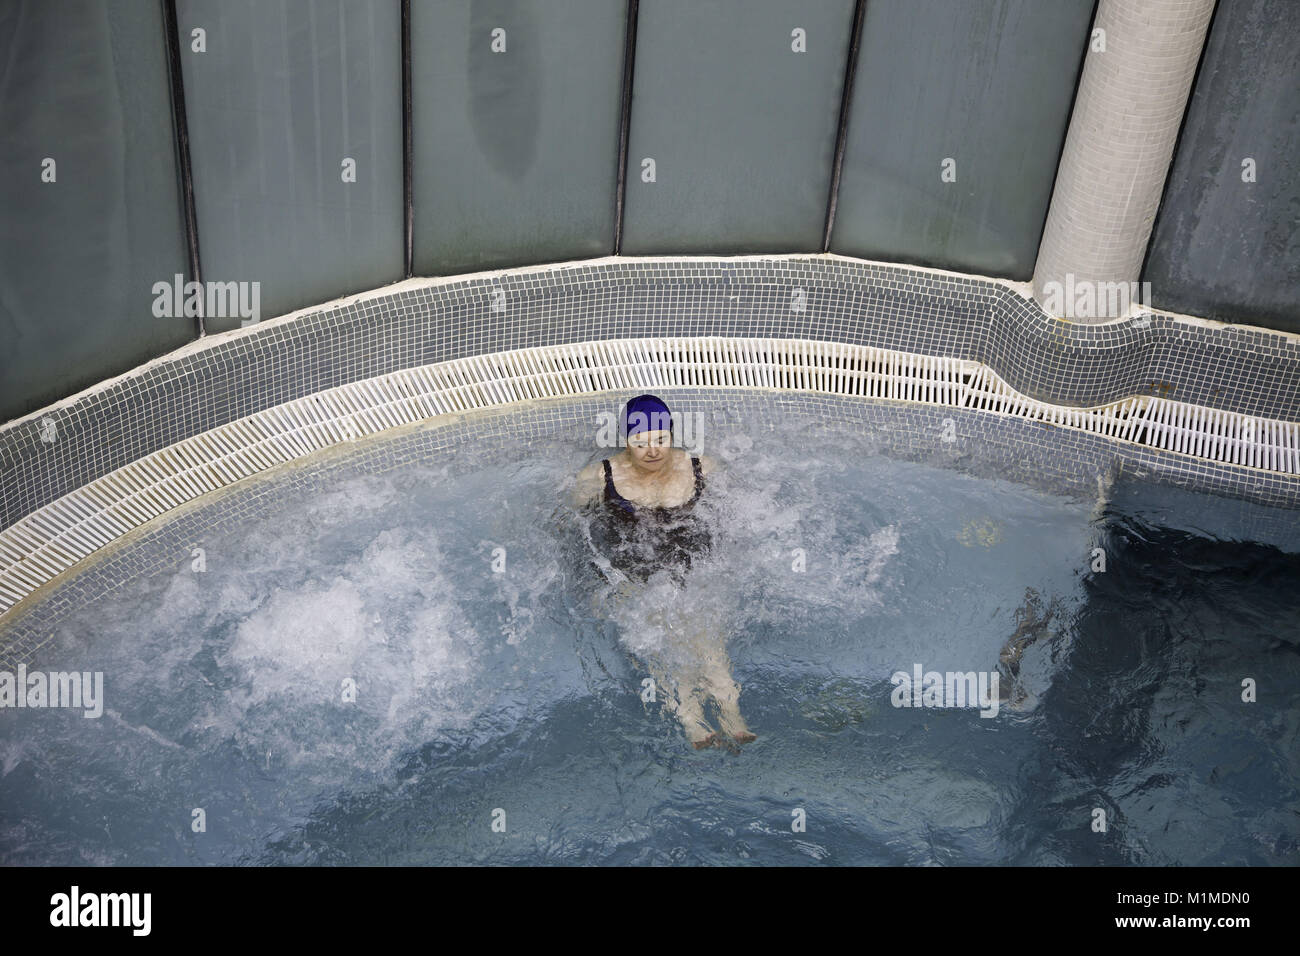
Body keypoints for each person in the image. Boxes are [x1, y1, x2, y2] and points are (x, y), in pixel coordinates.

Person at [571, 394, 756, 750]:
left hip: (691, 577)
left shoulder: (701, 467)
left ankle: (734, 719)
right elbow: (573, 527)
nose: (653, 450)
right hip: (635, 580)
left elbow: (738, 513)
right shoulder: (599, 476)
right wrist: (594, 583)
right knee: (663, 648)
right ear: (626, 440)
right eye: (641, 443)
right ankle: (692, 722)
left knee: (709, 646)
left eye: (660, 440)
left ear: (671, 434)